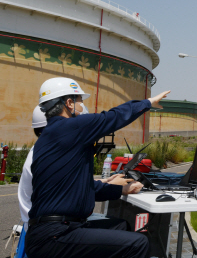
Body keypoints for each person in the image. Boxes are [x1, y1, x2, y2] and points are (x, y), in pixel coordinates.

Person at [25, 77, 170, 258]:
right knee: (137, 244)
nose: (82, 105)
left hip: (50, 231)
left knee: (121, 226)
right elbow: (113, 117)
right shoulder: (71, 127)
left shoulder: (49, 137)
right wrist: (148, 103)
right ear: (68, 103)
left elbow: (81, 188)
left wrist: (120, 190)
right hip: (56, 234)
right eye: (80, 101)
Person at [18, 106, 134, 225]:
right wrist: (117, 188)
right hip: (52, 225)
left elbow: (66, 183)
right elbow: (72, 191)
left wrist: (104, 181)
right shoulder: (50, 155)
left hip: (41, 222)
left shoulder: (43, 150)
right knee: (123, 228)